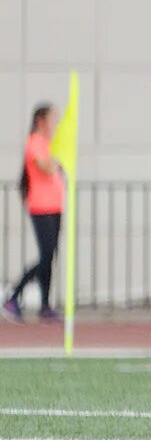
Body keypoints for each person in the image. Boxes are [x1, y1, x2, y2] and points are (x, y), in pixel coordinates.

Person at [3, 105, 64, 323]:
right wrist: (59, 153)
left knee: (50, 258)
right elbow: (47, 167)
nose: (55, 125)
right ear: (40, 120)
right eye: (52, 120)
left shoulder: (48, 143)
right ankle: (13, 296)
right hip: (41, 206)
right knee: (46, 256)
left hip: (56, 206)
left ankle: (45, 305)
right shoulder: (35, 142)